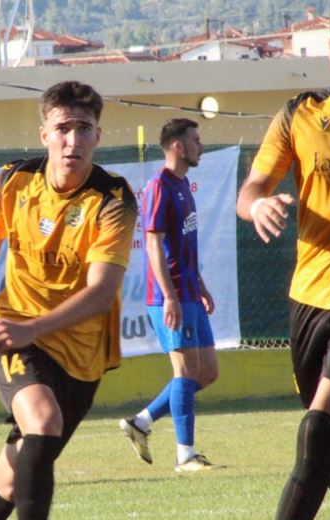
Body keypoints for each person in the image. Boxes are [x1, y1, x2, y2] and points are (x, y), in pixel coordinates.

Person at [0, 80, 137, 519]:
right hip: (13, 330)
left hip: (82, 356)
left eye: (84, 129)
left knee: (10, 479)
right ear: (44, 134)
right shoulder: (14, 180)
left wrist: (32, 329)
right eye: (63, 128)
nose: (73, 140)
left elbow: (101, 292)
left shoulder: (113, 200)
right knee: (43, 420)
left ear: (98, 136)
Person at [237, 1, 330, 518]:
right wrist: (258, 206)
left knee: (317, 429)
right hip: (309, 298)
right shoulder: (299, 113)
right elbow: (251, 189)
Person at [118, 118, 219, 473]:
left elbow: (183, 244)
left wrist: (200, 284)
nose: (200, 146)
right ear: (178, 146)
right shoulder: (159, 186)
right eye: (196, 140)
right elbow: (152, 245)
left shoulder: (183, 185)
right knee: (185, 371)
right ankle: (185, 455)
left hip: (189, 291)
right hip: (170, 296)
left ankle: (141, 422)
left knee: (207, 372)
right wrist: (170, 297)